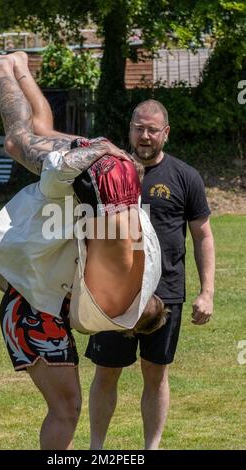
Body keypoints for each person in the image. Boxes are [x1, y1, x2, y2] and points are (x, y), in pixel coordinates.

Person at [0, 52, 164, 449]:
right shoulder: (113, 296)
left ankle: (19, 65)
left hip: (111, 174)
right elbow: (108, 230)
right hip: (95, 177)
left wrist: (107, 157)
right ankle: (7, 70)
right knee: (17, 141)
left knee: (39, 127)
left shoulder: (137, 277)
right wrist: (96, 158)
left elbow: (114, 228)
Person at [85, 99, 215, 450]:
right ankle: (96, 448)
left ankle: (151, 448)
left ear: (165, 133)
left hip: (166, 294)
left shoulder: (184, 177)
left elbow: (202, 235)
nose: (144, 136)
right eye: (138, 128)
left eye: (152, 130)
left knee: (156, 374)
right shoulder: (108, 172)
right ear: (130, 129)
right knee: (106, 371)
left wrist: (207, 292)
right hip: (113, 292)